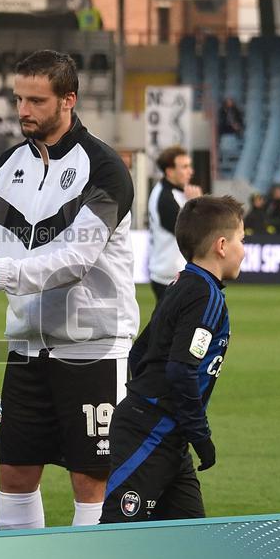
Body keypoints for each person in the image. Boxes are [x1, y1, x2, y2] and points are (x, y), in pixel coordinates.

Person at [0, 50, 139, 530]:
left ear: (69, 100)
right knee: (14, 472)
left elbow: (74, 261)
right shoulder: (5, 166)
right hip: (26, 347)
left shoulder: (105, 169)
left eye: (36, 100)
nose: (23, 110)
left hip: (93, 350)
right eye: (19, 98)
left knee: (90, 478)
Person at [100, 196, 245, 523]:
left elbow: (140, 352)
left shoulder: (181, 284)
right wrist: (200, 435)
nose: (244, 249)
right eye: (241, 239)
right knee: (115, 539)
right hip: (151, 432)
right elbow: (182, 369)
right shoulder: (205, 294)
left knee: (190, 540)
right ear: (222, 245)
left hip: (167, 434)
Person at [149, 146, 202, 303]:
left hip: (172, 275)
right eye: (184, 167)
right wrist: (196, 204)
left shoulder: (173, 192)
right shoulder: (165, 198)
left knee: (168, 326)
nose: (190, 171)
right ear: (170, 171)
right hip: (169, 277)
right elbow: (191, 234)